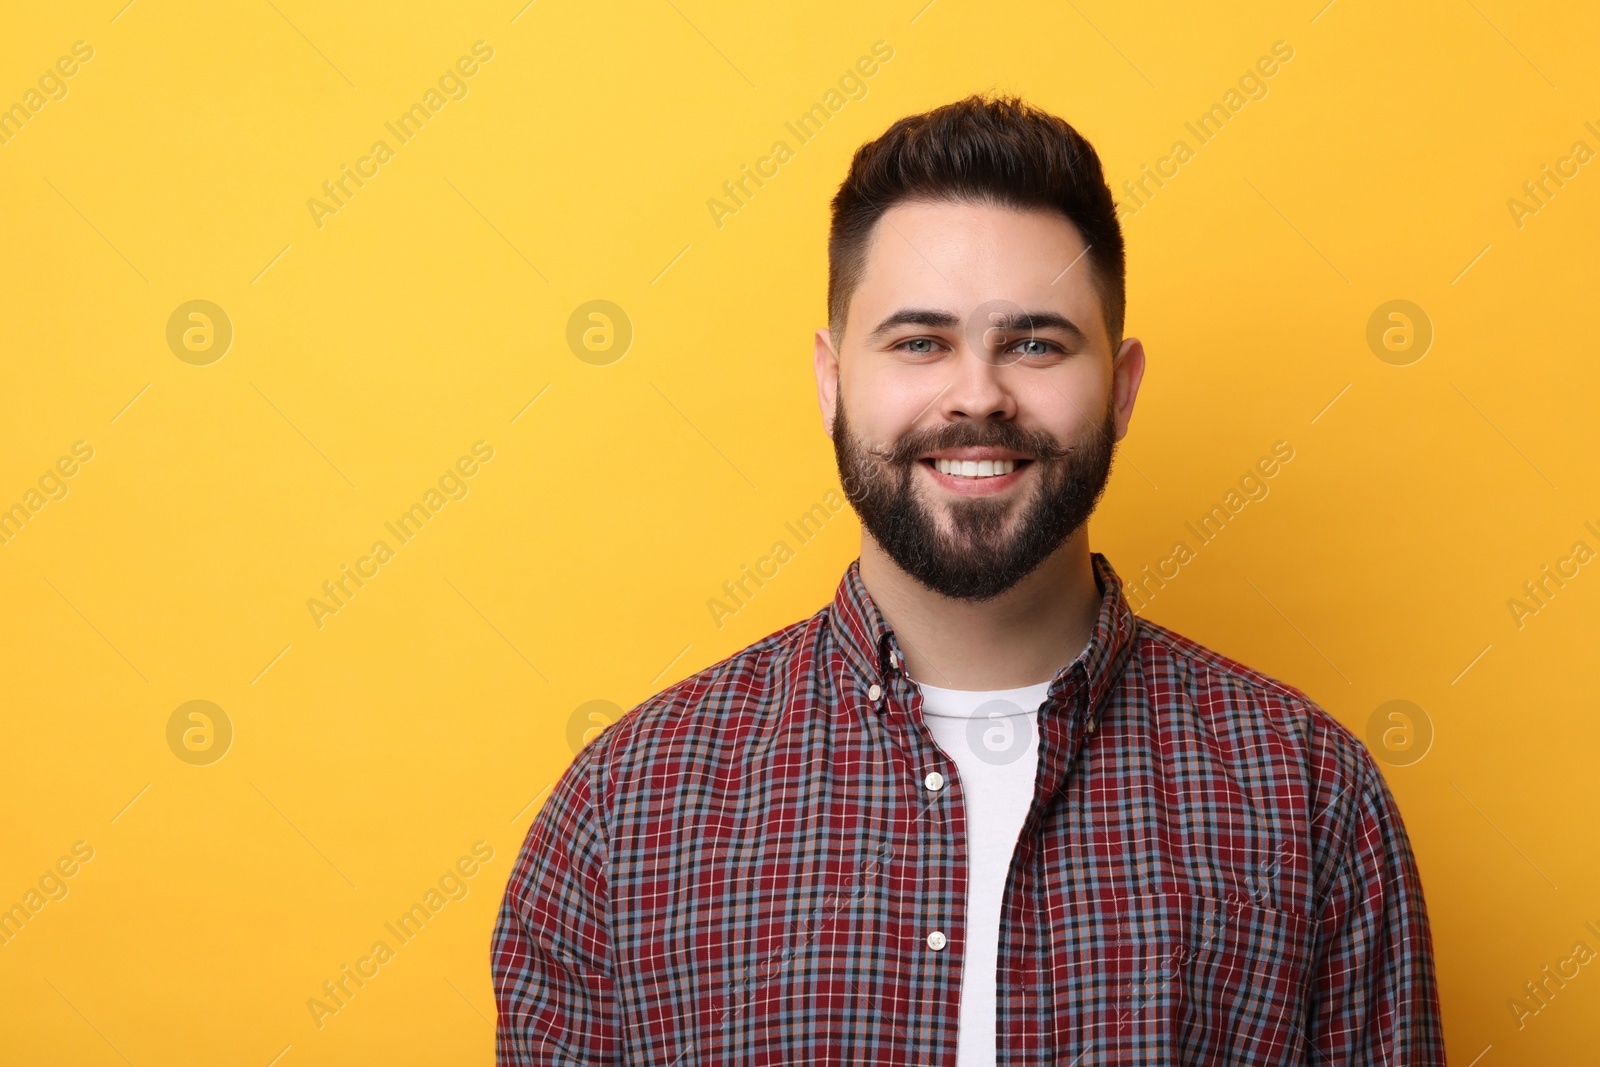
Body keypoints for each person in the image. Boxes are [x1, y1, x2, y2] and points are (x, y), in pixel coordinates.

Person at [492, 94, 1445, 1065]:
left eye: (1035, 342)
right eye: (919, 342)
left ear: (1121, 388)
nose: (978, 393)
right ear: (831, 381)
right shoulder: (624, 813)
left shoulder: (1311, 795)